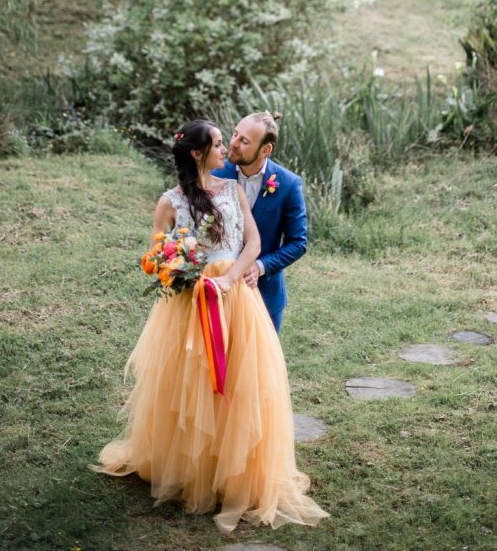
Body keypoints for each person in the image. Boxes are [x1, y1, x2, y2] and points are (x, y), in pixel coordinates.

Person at [95, 119, 328, 534]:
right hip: (191, 302)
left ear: (264, 148)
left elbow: (254, 243)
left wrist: (229, 277)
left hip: (236, 296)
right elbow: (158, 255)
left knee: (241, 380)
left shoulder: (235, 189)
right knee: (192, 383)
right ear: (199, 154)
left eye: (235, 140)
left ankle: (234, 470)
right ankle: (192, 467)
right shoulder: (170, 201)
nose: (229, 148)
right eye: (222, 142)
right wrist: (182, 272)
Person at [212, 111, 306, 333]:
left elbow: (298, 242)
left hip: (264, 294)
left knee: (261, 368)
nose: (233, 144)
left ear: (266, 150)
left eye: (244, 141)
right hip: (217, 289)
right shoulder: (215, 173)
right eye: (235, 134)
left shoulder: (289, 184)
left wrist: (260, 266)